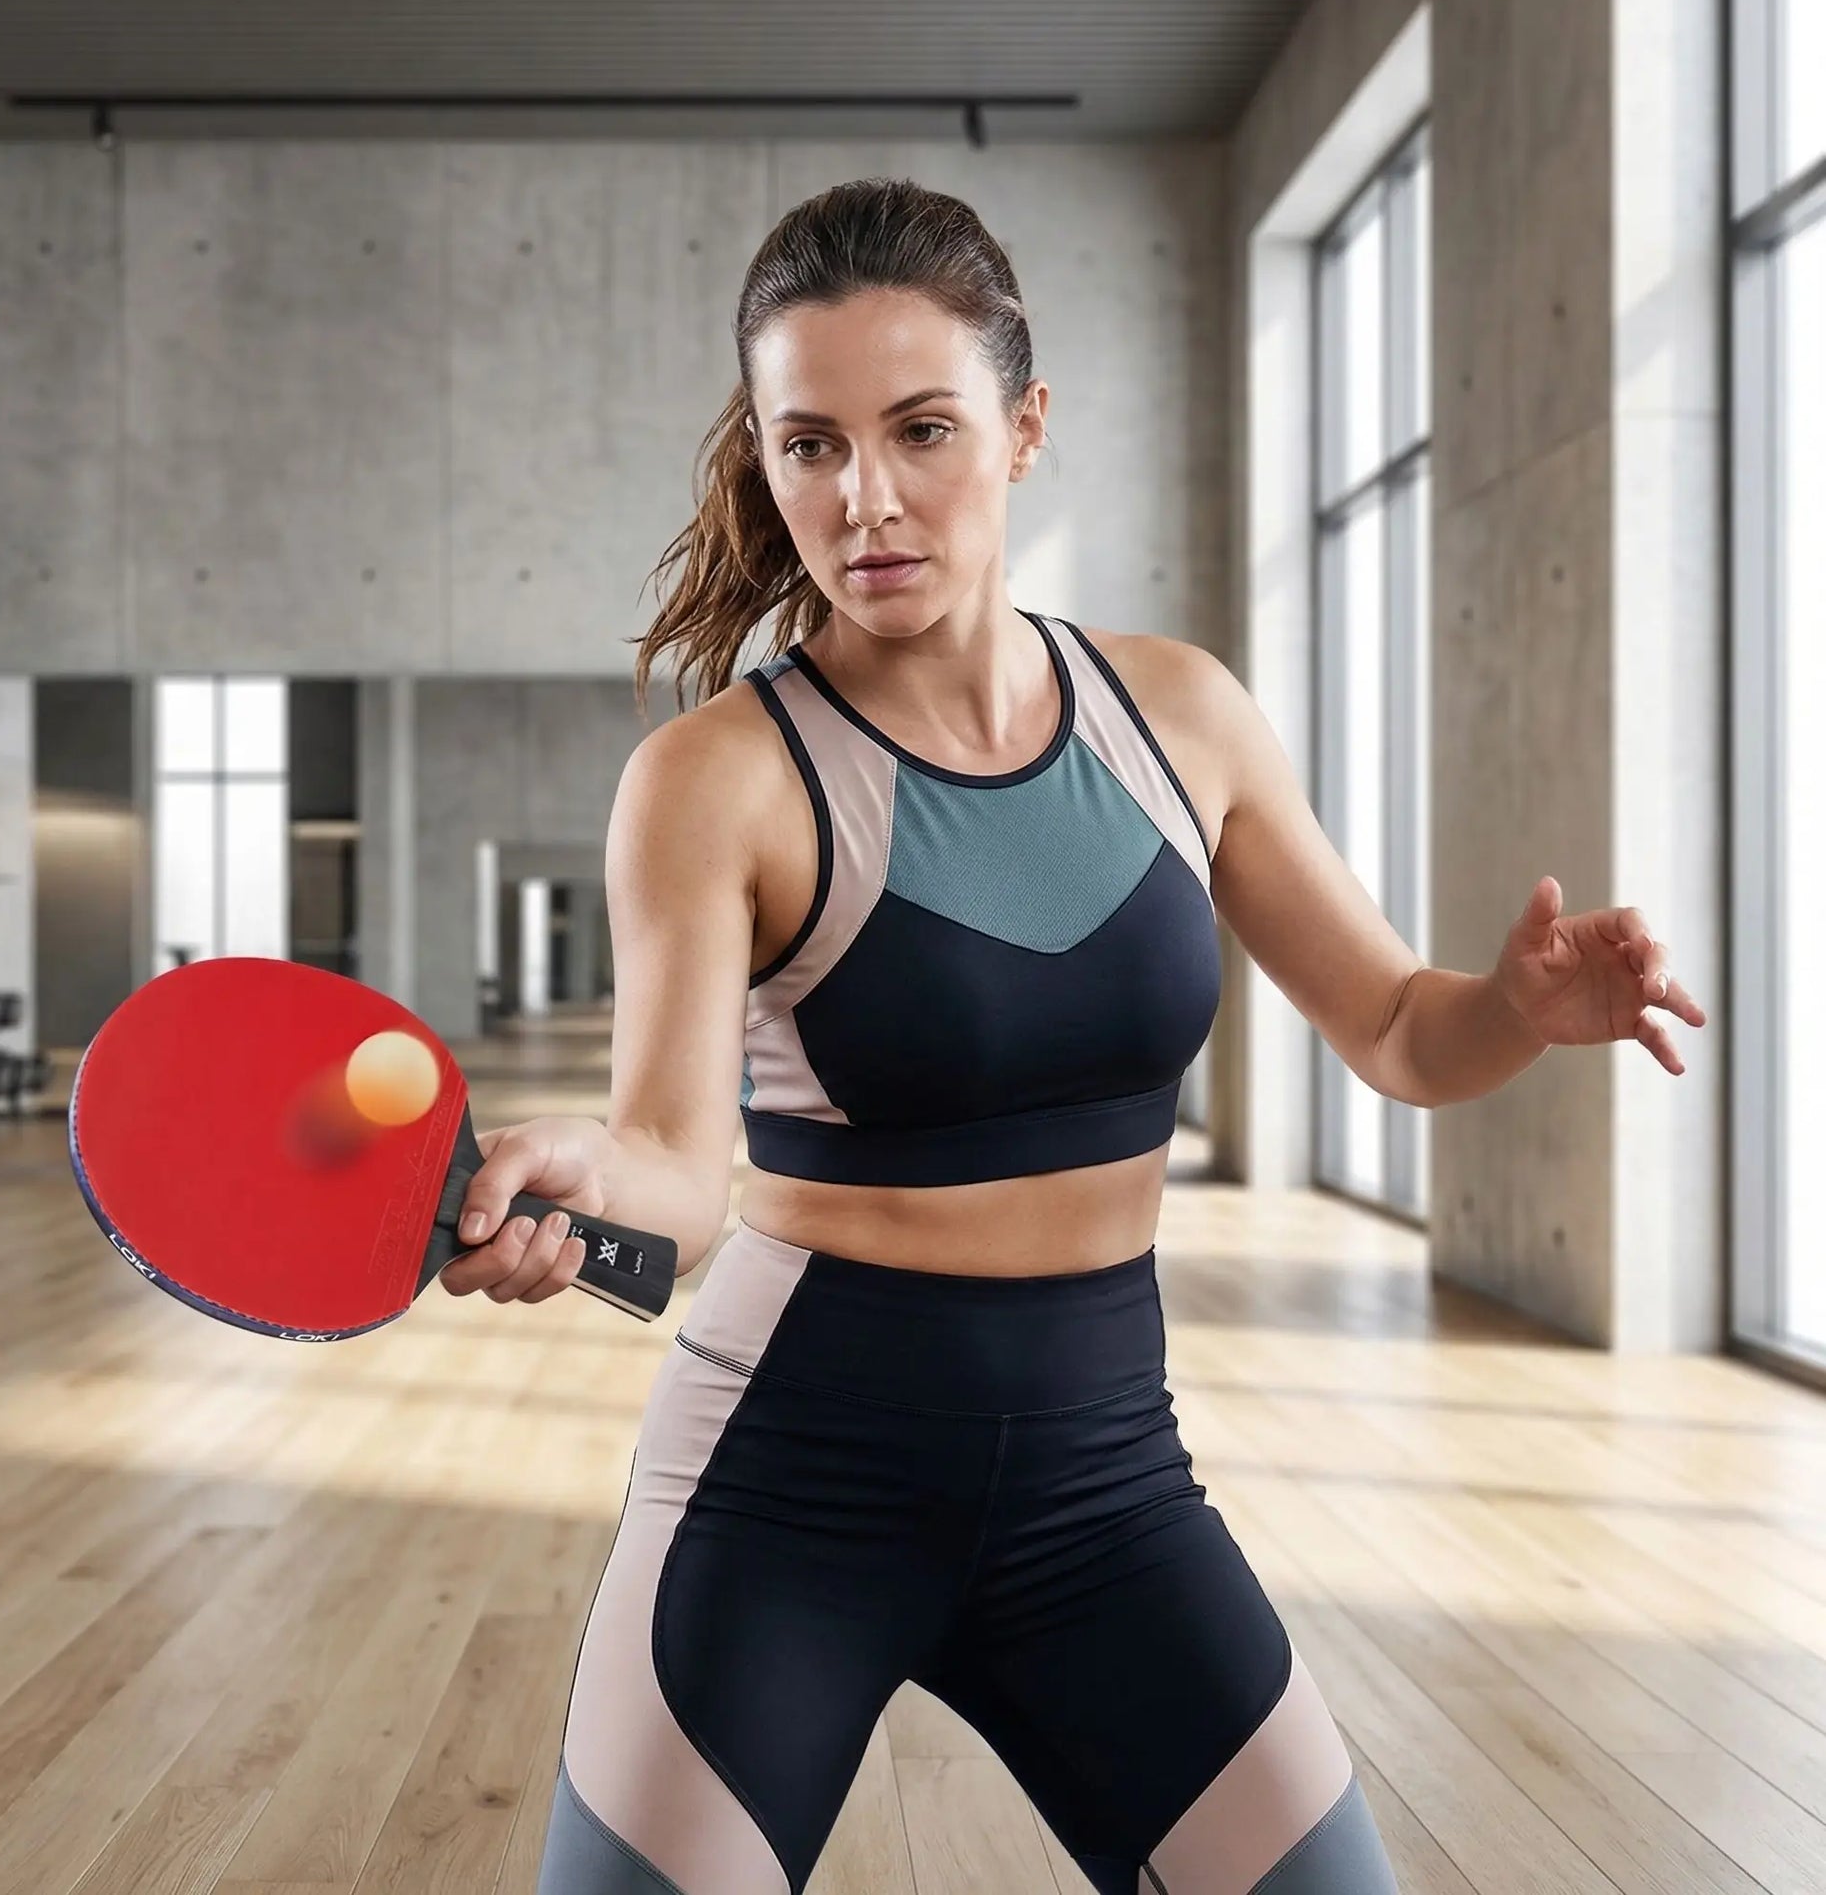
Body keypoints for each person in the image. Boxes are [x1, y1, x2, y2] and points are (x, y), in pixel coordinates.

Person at [441, 178, 1701, 1894]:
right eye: (809, 445)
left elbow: (1403, 1032)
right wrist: (581, 1179)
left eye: (921, 430)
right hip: (785, 1487)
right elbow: (675, 1170)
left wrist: (1516, 1010)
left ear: (1023, 427)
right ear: (764, 453)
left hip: (1103, 1485)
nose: (865, 498)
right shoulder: (716, 777)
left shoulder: (1177, 715)